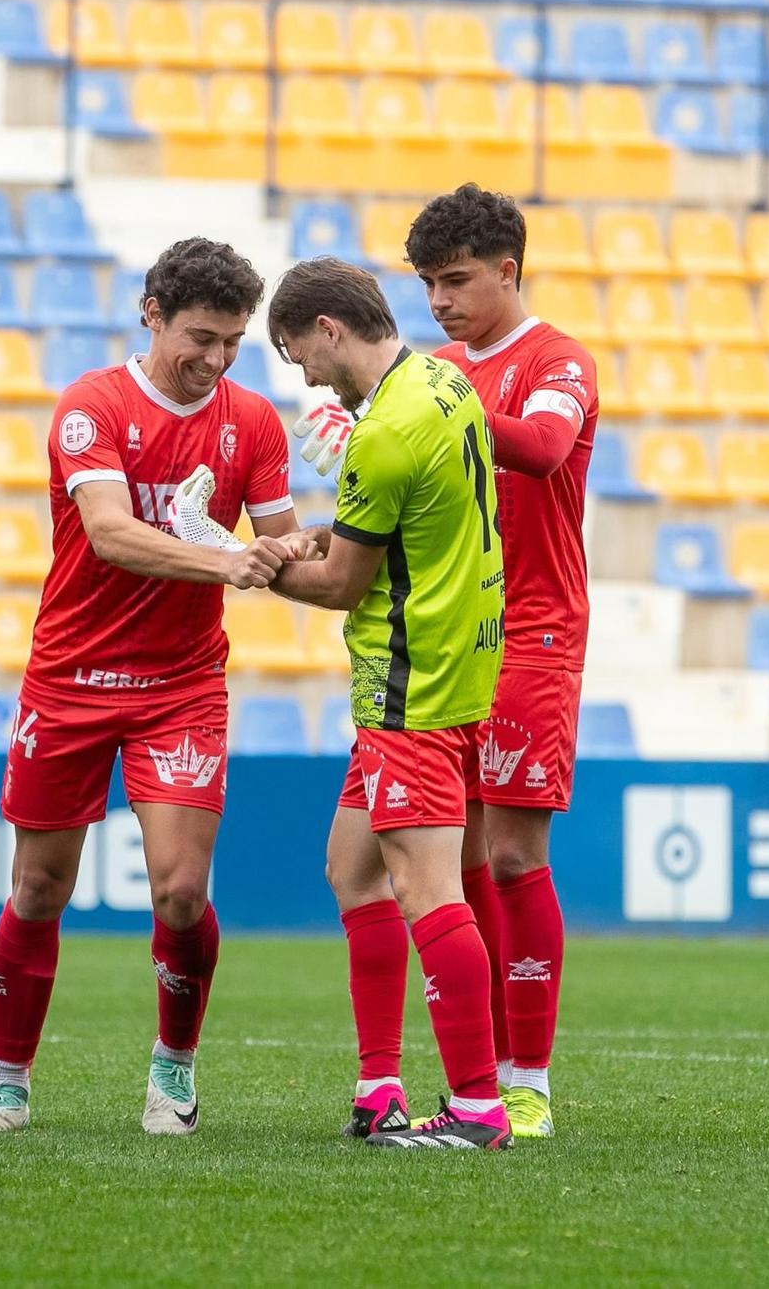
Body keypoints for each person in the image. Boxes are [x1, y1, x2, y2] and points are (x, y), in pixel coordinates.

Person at [0, 238, 298, 1136]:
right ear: (152, 312)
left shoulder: (253, 421)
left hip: (181, 686)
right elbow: (108, 532)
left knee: (181, 891)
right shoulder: (90, 407)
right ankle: (7, 1083)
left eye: (232, 341)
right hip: (69, 678)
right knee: (38, 887)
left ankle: (173, 1070)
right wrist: (223, 557)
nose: (216, 359)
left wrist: (323, 535)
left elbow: (287, 541)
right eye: (201, 337)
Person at [293, 185, 596, 1140]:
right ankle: (433, 1080)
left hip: (532, 626)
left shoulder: (554, 362)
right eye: (427, 282)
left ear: (509, 270)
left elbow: (546, 450)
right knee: (436, 863)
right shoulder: (433, 377)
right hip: (440, 626)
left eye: (457, 279)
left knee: (511, 854)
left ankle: (522, 1081)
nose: (441, 301)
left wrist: (423, 417)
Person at [265, 256, 510, 1151]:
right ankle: (380, 1084)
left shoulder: (383, 436)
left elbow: (339, 585)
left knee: (424, 886)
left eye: (301, 356)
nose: (305, 376)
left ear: (328, 327)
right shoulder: (446, 381)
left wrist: (258, 565)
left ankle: (479, 1107)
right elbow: (413, 527)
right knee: (353, 868)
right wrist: (325, 532)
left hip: (414, 680)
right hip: (452, 662)